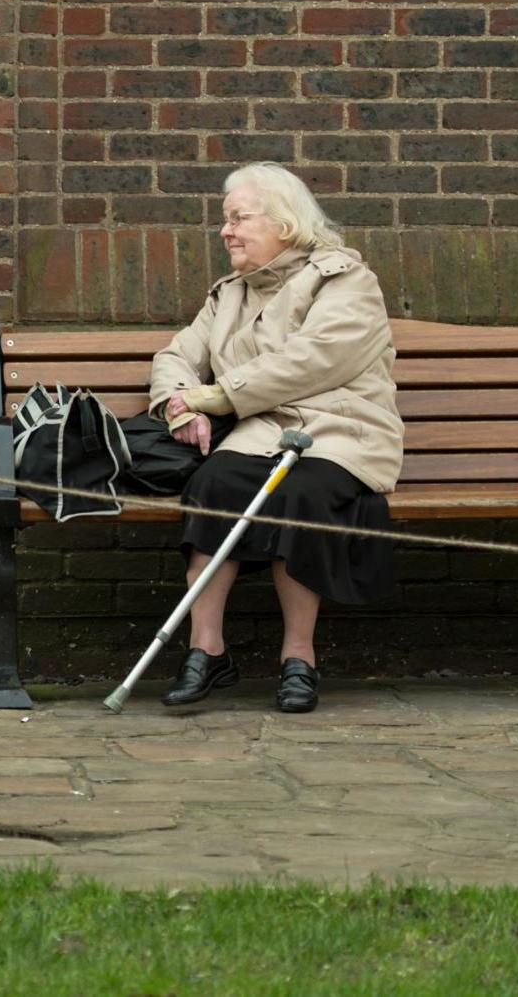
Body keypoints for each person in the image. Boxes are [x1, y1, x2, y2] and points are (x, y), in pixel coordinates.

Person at [147, 163, 401, 714]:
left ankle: (299, 657)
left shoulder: (344, 280)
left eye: (239, 218)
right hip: (260, 431)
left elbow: (313, 361)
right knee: (212, 483)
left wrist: (216, 397)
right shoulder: (229, 295)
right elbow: (175, 356)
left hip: (340, 432)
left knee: (297, 495)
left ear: (285, 223)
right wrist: (176, 405)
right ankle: (207, 650)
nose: (225, 231)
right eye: (225, 220)